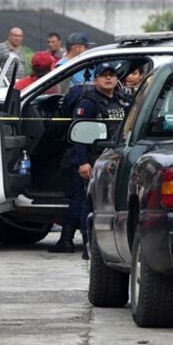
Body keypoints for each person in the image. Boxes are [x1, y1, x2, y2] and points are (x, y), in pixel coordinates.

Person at [55, 61, 130, 257]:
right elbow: (79, 135)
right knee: (85, 202)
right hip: (90, 158)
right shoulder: (88, 103)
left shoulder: (122, 100)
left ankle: (68, 240)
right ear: (96, 79)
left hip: (113, 158)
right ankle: (86, 245)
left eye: (112, 75)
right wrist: (82, 163)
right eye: (103, 75)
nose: (108, 78)